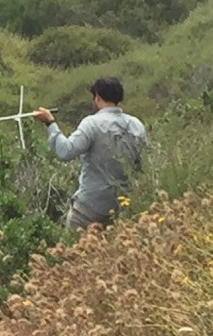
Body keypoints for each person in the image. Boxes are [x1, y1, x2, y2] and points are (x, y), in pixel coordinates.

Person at [32, 77, 147, 232]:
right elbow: (142, 166)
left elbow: (65, 152)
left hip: (89, 209)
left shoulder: (92, 123)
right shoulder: (137, 125)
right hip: (124, 208)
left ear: (97, 97)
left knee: (74, 246)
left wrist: (50, 123)